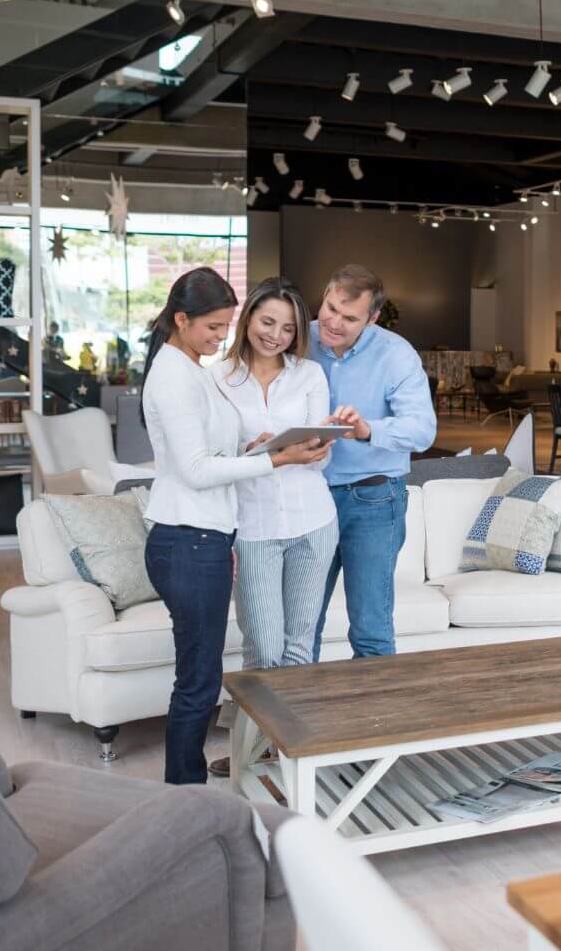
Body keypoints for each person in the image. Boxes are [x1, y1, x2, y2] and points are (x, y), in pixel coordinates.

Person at [140, 267, 328, 785]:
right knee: (198, 681)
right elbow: (196, 471)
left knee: (199, 676)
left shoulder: (190, 366)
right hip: (188, 539)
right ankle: (185, 793)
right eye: (213, 327)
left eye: (226, 327)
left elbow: (209, 451)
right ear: (181, 318)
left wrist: (253, 449)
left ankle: (190, 788)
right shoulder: (175, 375)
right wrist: (276, 460)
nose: (221, 337)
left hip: (204, 537)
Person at [307, 264, 437, 659]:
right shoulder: (300, 338)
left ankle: (374, 721)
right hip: (308, 497)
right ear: (325, 295)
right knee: (300, 624)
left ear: (372, 318)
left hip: (373, 499)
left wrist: (368, 430)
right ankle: (295, 718)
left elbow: (423, 430)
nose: (334, 323)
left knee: (370, 628)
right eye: (330, 309)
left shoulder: (395, 354)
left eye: (350, 318)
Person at [214, 277, 339, 672]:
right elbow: (211, 458)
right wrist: (252, 453)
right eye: (268, 323)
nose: (276, 336)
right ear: (248, 316)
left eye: (288, 329)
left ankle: (285, 738)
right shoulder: (217, 379)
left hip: (313, 521)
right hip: (253, 528)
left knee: (299, 651)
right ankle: (255, 737)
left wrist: (315, 449)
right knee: (264, 652)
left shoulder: (310, 375)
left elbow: (320, 461)